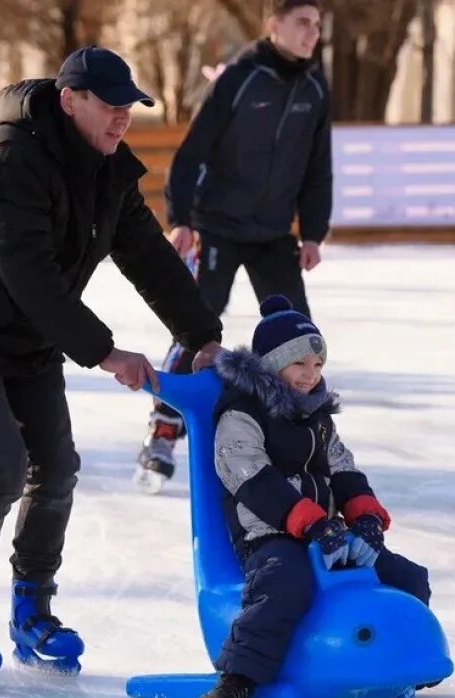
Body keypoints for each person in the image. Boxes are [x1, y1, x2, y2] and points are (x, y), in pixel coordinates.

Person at [0, 46, 224, 689]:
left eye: (129, 107)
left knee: (55, 468)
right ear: (70, 99)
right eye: (110, 106)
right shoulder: (9, 158)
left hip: (28, 337)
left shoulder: (107, 169)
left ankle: (33, 611)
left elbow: (150, 257)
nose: (122, 119)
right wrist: (106, 351)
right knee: (0, 467)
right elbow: (30, 275)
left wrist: (200, 335)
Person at [197, 295, 431, 698]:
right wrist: (312, 524)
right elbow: (252, 480)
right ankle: (238, 679)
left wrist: (363, 519)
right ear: (271, 363)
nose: (310, 376)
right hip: (269, 533)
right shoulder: (241, 413)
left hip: (326, 531)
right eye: (299, 364)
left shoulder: (318, 417)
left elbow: (342, 469)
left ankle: (410, 661)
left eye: (318, 366)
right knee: (284, 584)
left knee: (405, 575)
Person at [134, 0, 333, 490]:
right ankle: (162, 432)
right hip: (216, 226)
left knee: (296, 338)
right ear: (274, 25)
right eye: (302, 23)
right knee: (195, 327)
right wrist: (181, 219)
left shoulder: (314, 88)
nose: (312, 34)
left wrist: (312, 231)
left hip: (272, 235)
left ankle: (296, 444)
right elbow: (191, 153)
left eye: (317, 25)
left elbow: (317, 166)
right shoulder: (240, 78)